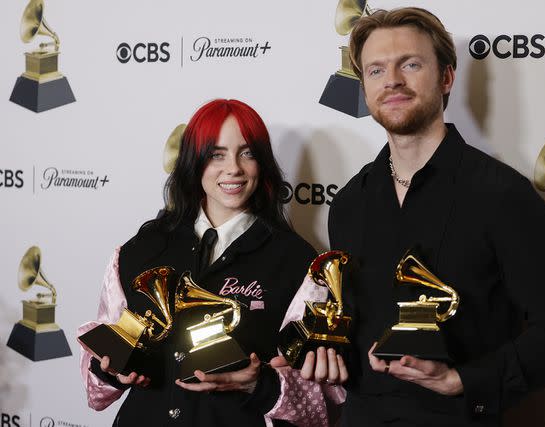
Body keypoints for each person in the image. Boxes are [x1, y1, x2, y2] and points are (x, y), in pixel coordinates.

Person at [328, 8, 545, 426]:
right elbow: (354, 326)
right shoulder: (348, 204)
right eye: (376, 70)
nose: (392, 80)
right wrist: (321, 351)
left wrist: (462, 380)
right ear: (364, 87)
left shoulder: (504, 196)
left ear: (446, 78)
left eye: (410, 64)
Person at [78, 99, 346, 427]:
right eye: (216, 154)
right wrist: (111, 372)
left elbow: (324, 406)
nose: (233, 168)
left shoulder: (297, 261)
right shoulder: (140, 249)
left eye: (247, 153)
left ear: (261, 163)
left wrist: (258, 384)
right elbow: (95, 395)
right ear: (194, 161)